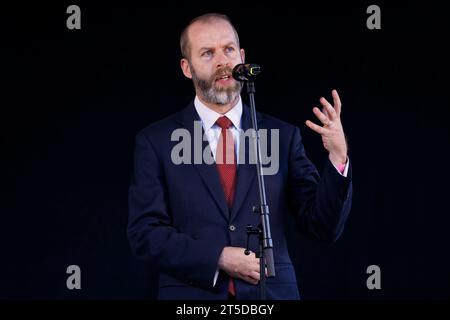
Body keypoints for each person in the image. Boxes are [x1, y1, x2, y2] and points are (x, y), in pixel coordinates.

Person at [128, 13, 352, 300]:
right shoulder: (155, 141)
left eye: (229, 49)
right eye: (207, 53)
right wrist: (218, 257)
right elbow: (145, 234)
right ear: (187, 67)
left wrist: (338, 157)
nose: (222, 61)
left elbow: (322, 226)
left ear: (242, 57)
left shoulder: (283, 136)